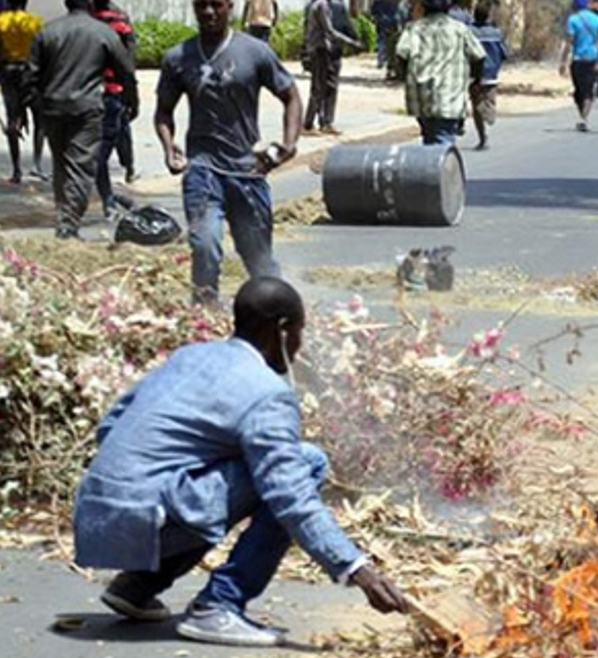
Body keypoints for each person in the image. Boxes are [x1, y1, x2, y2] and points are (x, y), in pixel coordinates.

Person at [74, 276, 410, 647]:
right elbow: (291, 497)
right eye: (299, 332)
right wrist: (354, 568)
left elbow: (110, 426)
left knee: (217, 470)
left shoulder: (191, 355)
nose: (299, 346)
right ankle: (219, 605)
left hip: (98, 518)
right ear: (281, 329)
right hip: (148, 521)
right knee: (308, 462)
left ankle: (138, 584)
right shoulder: (267, 393)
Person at [156, 0, 303, 305]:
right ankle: (204, 322)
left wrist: (289, 144)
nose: (208, 12)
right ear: (194, 7)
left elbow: (291, 96)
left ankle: (276, 325)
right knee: (205, 247)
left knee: (260, 263)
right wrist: (169, 147)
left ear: (230, 7)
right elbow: (163, 112)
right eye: (202, 5)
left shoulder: (255, 52)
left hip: (247, 172)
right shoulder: (178, 58)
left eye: (216, 5)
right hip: (202, 172)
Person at [24, 0, 136, 239]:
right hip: (86, 109)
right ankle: (68, 223)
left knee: (62, 165)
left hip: (52, 108)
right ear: (90, 4)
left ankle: (65, 217)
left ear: (66, 3)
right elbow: (125, 70)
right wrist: (132, 100)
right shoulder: (103, 33)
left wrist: (32, 105)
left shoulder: (47, 32)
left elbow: (30, 75)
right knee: (81, 166)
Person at [395, 0, 486, 146]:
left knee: (429, 136)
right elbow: (479, 55)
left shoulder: (414, 28)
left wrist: (406, 78)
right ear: (448, 8)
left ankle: (434, 168)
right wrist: (475, 80)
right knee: (443, 138)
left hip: (421, 95)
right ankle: (443, 169)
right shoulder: (459, 29)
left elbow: (401, 53)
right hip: (450, 95)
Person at [0, 0, 45, 184]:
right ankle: (37, 163)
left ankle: (16, 169)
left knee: (12, 118)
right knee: (39, 119)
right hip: (31, 73)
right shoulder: (35, 22)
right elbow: (43, 49)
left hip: (8, 72)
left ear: (9, 0)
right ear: (26, 1)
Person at [92, 0, 138, 205]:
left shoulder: (88, 20)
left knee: (98, 145)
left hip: (91, 90)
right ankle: (128, 167)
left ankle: (107, 194)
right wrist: (132, 90)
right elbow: (129, 57)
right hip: (115, 88)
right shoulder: (120, 19)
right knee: (121, 130)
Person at [303, 0, 360, 136]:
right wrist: (351, 42)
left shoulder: (326, 4)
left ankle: (326, 122)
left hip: (327, 50)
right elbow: (329, 30)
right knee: (318, 88)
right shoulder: (320, 5)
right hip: (320, 50)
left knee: (329, 86)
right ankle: (308, 124)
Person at [559, 0, 598, 132]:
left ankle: (583, 118)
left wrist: (563, 61)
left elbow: (569, 41)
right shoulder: (597, 20)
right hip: (593, 58)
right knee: (588, 91)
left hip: (578, 59)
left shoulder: (573, 20)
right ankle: (584, 117)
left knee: (579, 90)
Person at [468, 5, 508, 151]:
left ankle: (482, 137)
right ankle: (489, 114)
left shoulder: (469, 32)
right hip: (492, 74)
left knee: (476, 106)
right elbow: (504, 54)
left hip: (474, 74)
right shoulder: (496, 33)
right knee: (489, 101)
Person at [370, 0, 400, 69]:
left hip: (381, 23)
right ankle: (388, 61)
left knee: (381, 41)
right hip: (391, 23)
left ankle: (380, 60)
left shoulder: (378, 1)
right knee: (390, 43)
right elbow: (396, 13)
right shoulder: (394, 1)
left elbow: (373, 12)